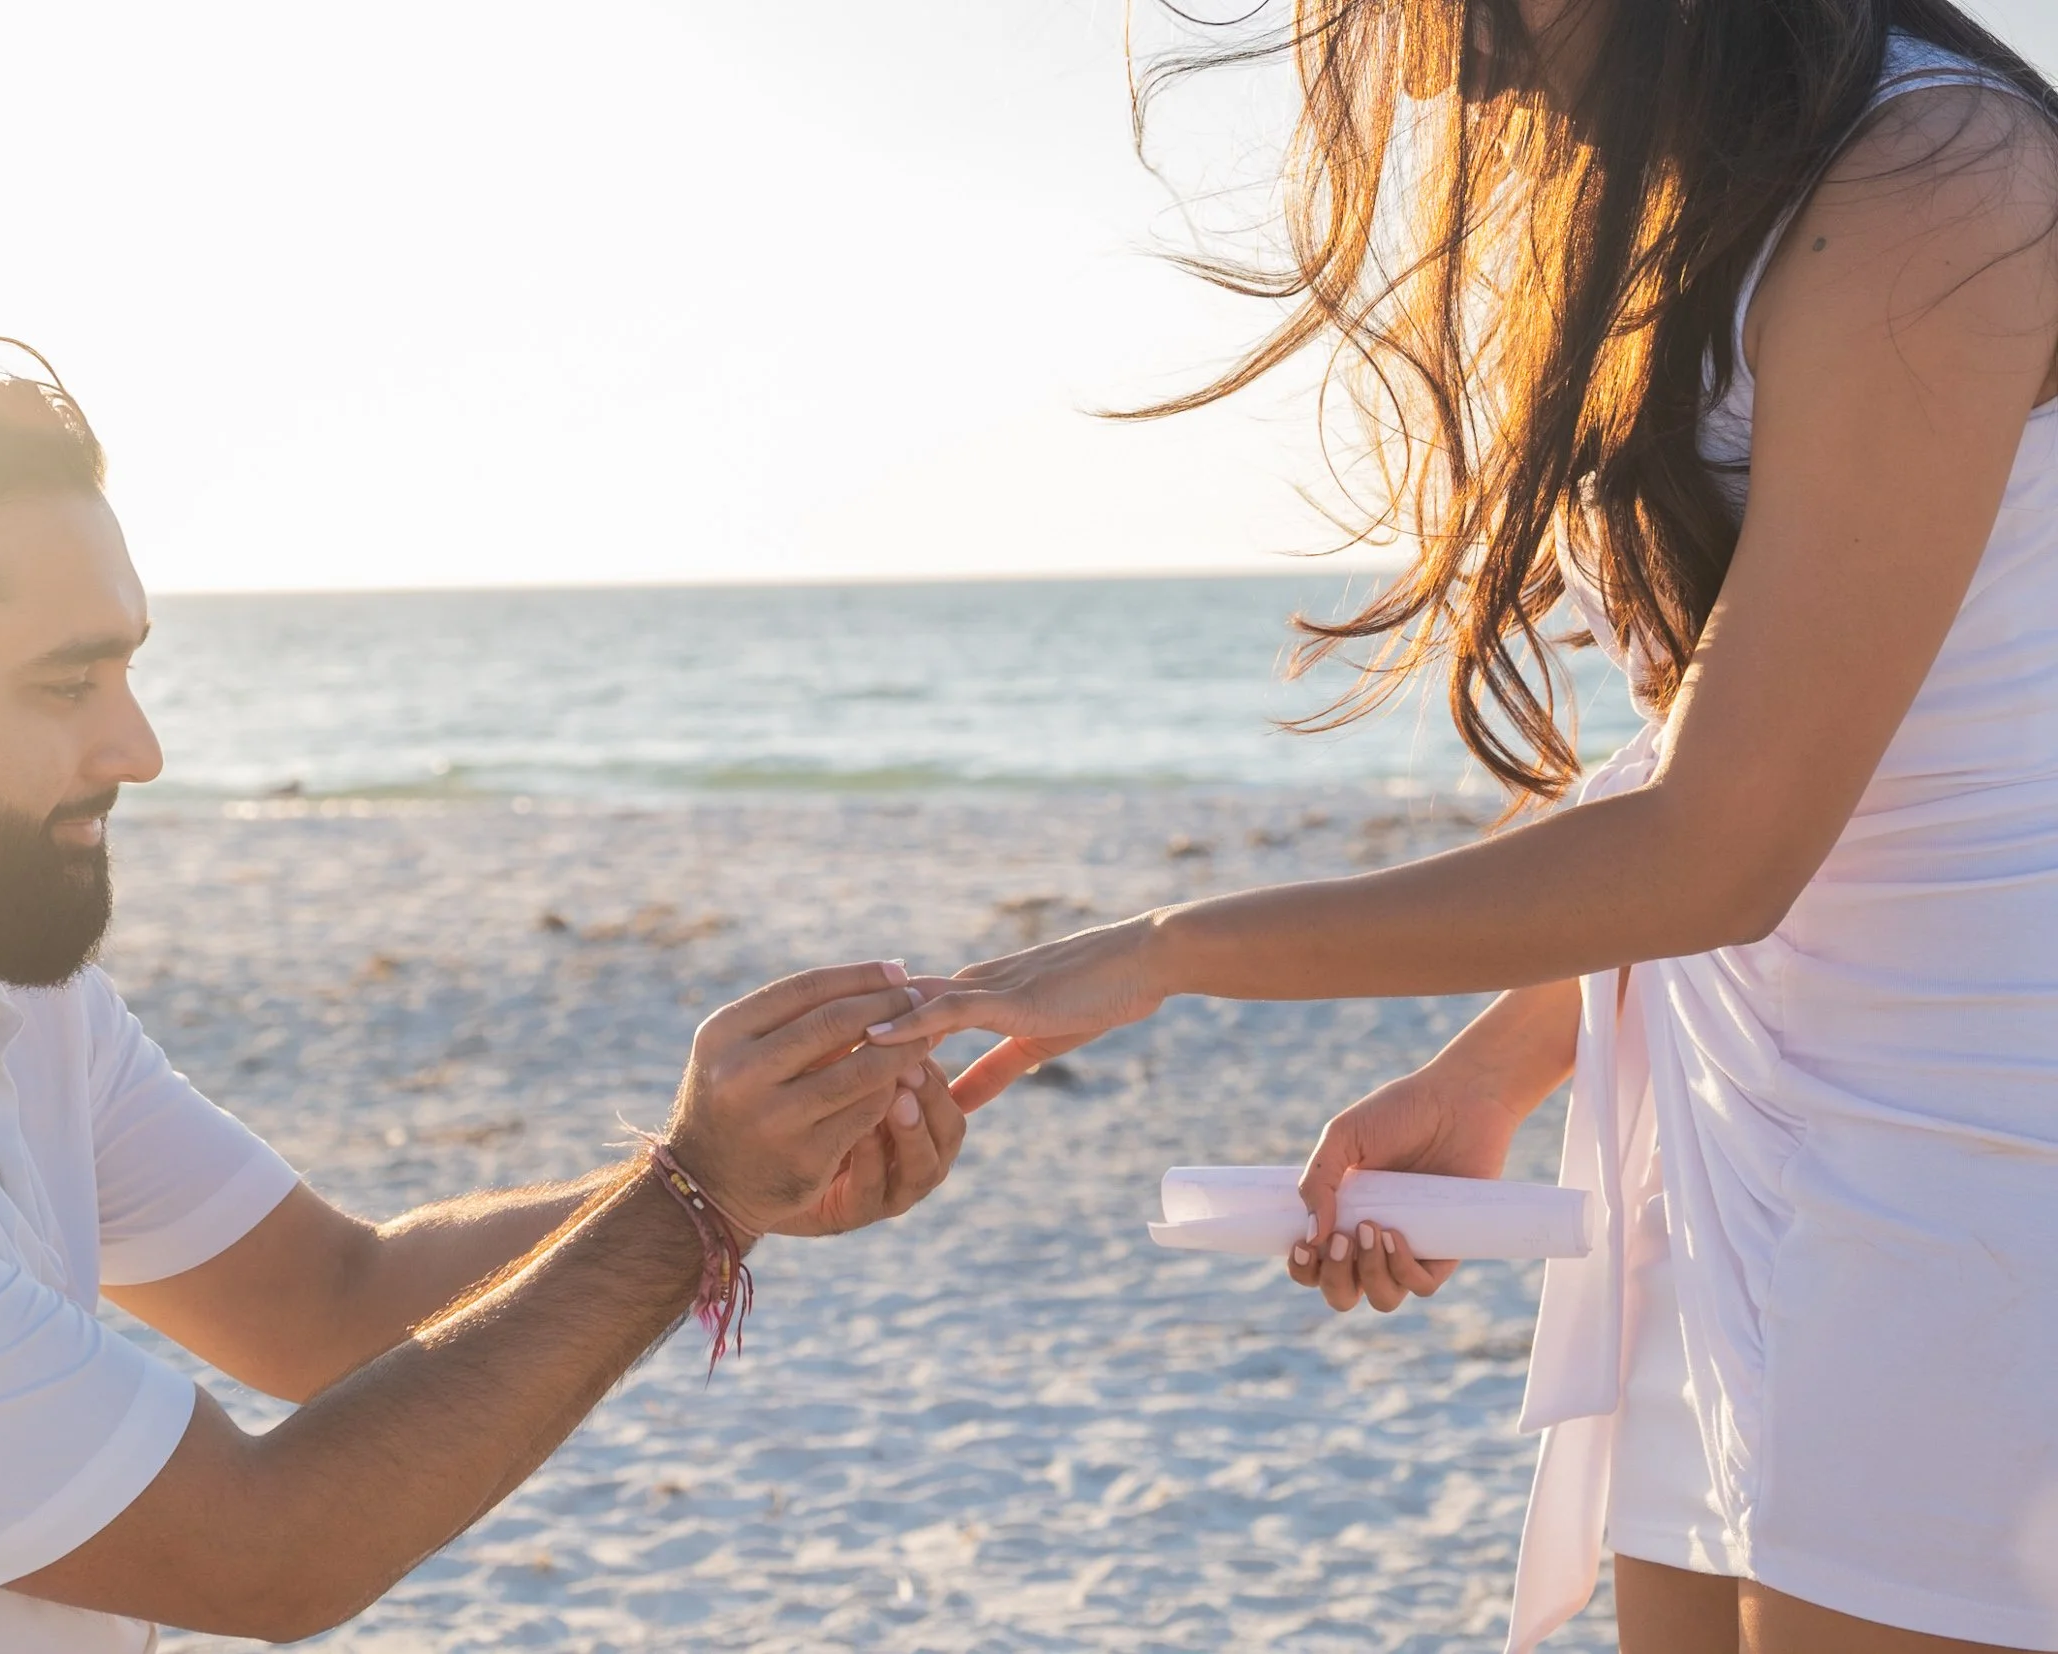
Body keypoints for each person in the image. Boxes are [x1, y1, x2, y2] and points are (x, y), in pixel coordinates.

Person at [868, 1, 2058, 1650]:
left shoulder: (1938, 174)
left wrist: (1168, 952)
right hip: (1724, 1129)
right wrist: (1493, 1068)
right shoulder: (1684, 187)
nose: (1404, 53)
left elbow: (1727, 844)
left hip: (1972, 1161)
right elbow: (1709, 747)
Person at [0, 333, 970, 1652]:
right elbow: (265, 1552)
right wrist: (694, 1203)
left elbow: (331, 1303)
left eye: (126, 669)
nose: (139, 748)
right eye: (65, 684)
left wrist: (732, 1181)